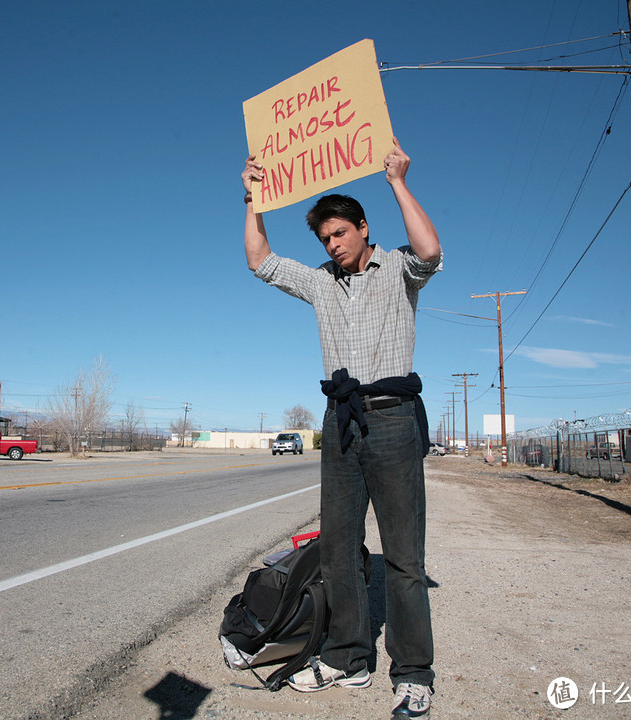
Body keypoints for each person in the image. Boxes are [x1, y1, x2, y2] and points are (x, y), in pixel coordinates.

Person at [241, 139, 441, 719]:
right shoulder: (321, 282)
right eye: (324, 239)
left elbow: (431, 251)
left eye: (339, 234)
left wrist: (399, 181)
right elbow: (260, 261)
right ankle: (348, 658)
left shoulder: (398, 268)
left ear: (362, 228)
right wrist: (253, 199)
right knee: (338, 551)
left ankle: (413, 673)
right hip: (342, 423)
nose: (332, 245)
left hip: (395, 422)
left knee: (403, 557)